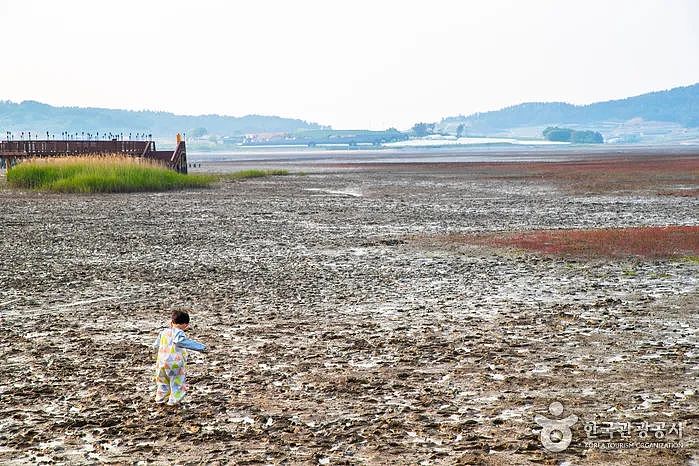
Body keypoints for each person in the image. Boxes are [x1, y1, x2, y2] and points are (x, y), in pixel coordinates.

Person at [153, 310, 207, 405]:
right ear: (185, 324)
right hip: (174, 364)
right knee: (177, 382)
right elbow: (180, 341)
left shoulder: (164, 332)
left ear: (172, 321)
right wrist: (201, 347)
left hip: (161, 363)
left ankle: (160, 399)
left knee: (163, 382)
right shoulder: (178, 332)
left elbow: (156, 345)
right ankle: (173, 401)